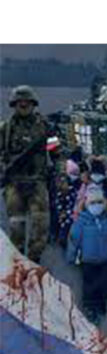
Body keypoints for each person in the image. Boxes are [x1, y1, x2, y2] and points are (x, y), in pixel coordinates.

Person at [0, 85, 50, 262]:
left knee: (40, 228)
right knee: (16, 228)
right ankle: (19, 264)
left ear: (33, 103)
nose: (23, 105)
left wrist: (61, 176)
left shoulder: (45, 127)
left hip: (37, 182)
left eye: (26, 102)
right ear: (14, 104)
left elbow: (57, 152)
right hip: (14, 183)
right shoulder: (5, 129)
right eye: (19, 102)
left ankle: (34, 262)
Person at [67, 188, 107, 325]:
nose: (97, 206)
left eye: (99, 202)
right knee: (89, 285)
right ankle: (89, 307)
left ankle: (100, 305)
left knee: (103, 284)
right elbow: (74, 240)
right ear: (87, 204)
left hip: (105, 260)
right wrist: (72, 255)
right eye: (93, 203)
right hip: (87, 260)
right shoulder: (81, 222)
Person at [54, 159, 81, 248]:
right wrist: (62, 212)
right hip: (65, 213)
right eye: (73, 173)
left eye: (76, 174)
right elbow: (59, 201)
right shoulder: (62, 185)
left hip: (72, 213)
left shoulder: (76, 185)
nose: (75, 176)